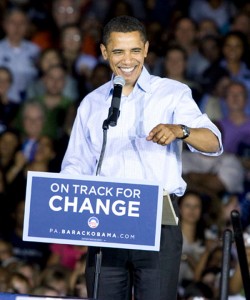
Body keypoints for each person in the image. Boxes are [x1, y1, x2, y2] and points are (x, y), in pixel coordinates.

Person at [60, 15, 223, 300]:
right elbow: (75, 165)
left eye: (135, 50)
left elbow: (213, 142)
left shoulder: (172, 93)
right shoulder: (92, 102)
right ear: (103, 52)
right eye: (118, 51)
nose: (128, 59)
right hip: (105, 224)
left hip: (157, 224)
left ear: (146, 49)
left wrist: (180, 130)